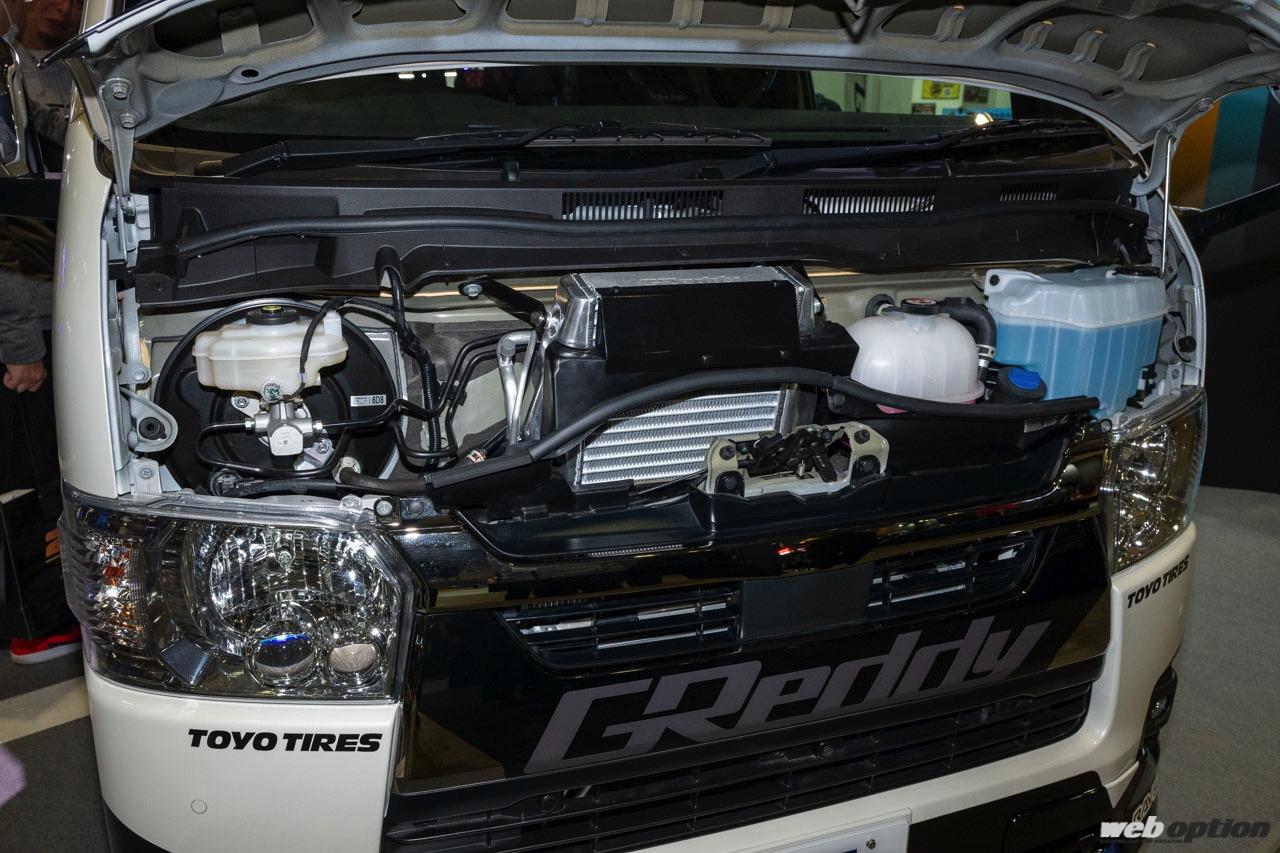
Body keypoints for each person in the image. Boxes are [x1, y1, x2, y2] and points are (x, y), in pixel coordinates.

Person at [0, 0, 82, 664]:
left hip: (50, 307)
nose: (64, 7)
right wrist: (21, 345)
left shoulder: (60, 75)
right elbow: (6, 235)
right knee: (30, 477)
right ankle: (39, 623)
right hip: (24, 323)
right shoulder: (9, 88)